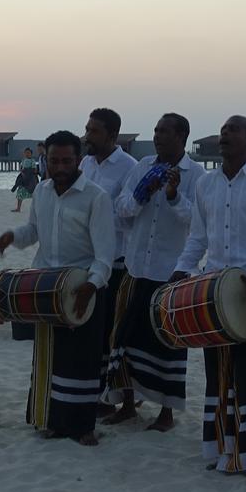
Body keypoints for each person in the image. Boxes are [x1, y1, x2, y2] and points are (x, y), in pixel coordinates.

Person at [173, 115, 246, 488]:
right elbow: (197, 239)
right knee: (217, 374)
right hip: (213, 294)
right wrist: (181, 271)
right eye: (223, 130)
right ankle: (221, 451)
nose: (224, 135)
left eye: (234, 130)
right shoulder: (206, 185)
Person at [0, 130, 115, 446]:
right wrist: (13, 237)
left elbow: (105, 254)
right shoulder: (43, 191)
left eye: (66, 160)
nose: (59, 167)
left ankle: (83, 426)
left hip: (84, 287)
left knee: (83, 360)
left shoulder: (96, 197)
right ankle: (54, 422)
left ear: (78, 161)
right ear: (45, 160)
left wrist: (91, 286)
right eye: (53, 160)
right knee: (50, 357)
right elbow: (34, 230)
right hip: (47, 286)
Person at [104, 113, 201, 431]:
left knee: (167, 343)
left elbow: (197, 223)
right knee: (125, 337)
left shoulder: (196, 174)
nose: (158, 136)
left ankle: (166, 413)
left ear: (182, 136)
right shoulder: (141, 166)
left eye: (165, 132)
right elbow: (121, 211)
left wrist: (173, 195)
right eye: (156, 131)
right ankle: (128, 404)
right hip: (136, 266)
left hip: (171, 271)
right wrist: (141, 195)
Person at [79, 108, 140, 420]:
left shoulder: (129, 167)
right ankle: (96, 394)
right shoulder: (85, 164)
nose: (87, 136)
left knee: (113, 334)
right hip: (87, 260)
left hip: (116, 260)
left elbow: (129, 215)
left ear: (113, 136)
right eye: (87, 129)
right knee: (91, 330)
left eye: (94, 131)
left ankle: (120, 400)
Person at [11, 146, 39, 213]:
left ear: (31, 154)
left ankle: (36, 209)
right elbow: (21, 168)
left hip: (31, 178)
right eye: (26, 153)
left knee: (34, 193)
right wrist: (22, 172)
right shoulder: (23, 160)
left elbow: (35, 170)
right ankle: (18, 208)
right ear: (24, 153)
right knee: (20, 191)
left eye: (29, 153)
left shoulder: (32, 160)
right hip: (23, 178)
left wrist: (30, 171)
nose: (27, 154)